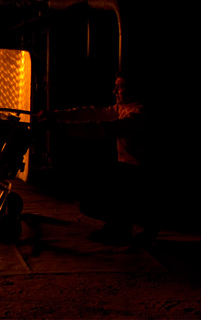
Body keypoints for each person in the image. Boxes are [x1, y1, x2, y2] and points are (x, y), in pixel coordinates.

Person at [37, 71, 159, 246]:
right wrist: (56, 114)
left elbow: (101, 128)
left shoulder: (139, 115)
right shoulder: (121, 109)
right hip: (129, 170)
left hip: (142, 173)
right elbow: (92, 113)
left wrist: (60, 126)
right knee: (97, 193)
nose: (114, 91)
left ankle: (125, 226)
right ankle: (126, 224)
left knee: (94, 198)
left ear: (135, 89)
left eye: (120, 87)